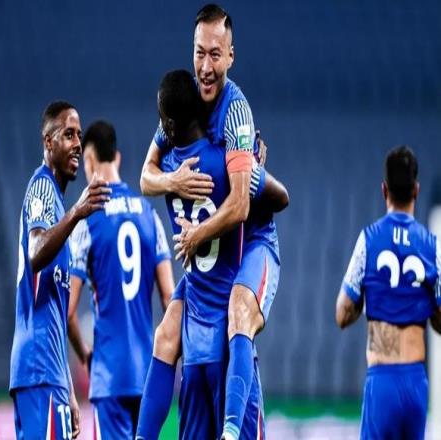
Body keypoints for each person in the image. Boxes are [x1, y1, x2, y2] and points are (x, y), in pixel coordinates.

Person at [137, 5, 288, 440]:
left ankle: (231, 431)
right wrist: (174, 181)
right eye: (199, 53)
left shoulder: (236, 113)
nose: (205, 66)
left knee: (239, 309)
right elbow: (146, 176)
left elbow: (241, 205)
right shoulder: (183, 105)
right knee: (167, 332)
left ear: (231, 57)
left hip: (251, 240)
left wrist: (194, 236)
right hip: (211, 253)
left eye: (215, 55)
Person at [67, 120, 174, 439]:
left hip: (110, 375)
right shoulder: (150, 216)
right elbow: (170, 299)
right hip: (148, 374)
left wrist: (85, 353)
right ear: (117, 158)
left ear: (88, 160)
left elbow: (68, 311)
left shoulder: (87, 220)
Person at [9, 101, 110, 439]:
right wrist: (78, 212)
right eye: (69, 134)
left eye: (79, 135)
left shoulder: (58, 212)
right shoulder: (41, 187)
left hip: (50, 373)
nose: (78, 143)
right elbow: (35, 252)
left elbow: (56, 316)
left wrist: (68, 387)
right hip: (37, 368)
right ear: (48, 142)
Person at [336, 146, 441, 439]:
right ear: (416, 190)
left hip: (382, 380)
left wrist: (367, 296)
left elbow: (341, 314)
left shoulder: (368, 240)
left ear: (384, 190)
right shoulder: (432, 247)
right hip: (415, 382)